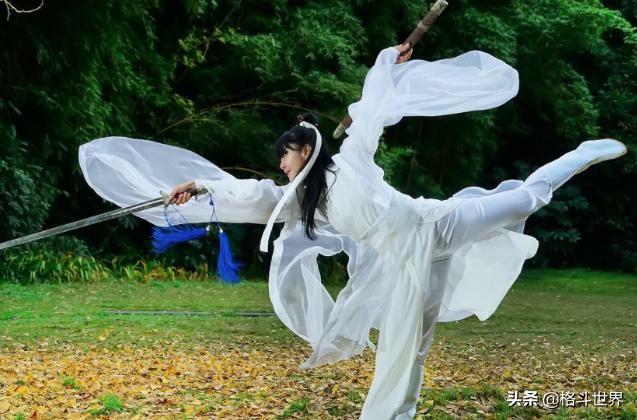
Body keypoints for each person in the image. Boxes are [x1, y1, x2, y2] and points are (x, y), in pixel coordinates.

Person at [79, 43, 626, 419]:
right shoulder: (302, 203)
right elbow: (250, 198)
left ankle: (576, 157)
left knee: (525, 199)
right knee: (410, 341)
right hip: (403, 259)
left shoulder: (352, 159)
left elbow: (373, 109)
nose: (282, 167)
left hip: (433, 222)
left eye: (287, 157)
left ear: (307, 147)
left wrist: (387, 60)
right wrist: (198, 186)